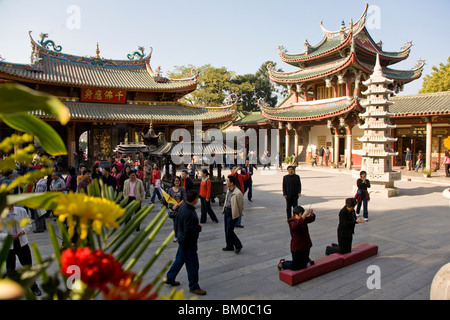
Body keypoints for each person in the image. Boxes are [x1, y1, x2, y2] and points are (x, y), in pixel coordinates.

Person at [165, 190, 206, 295]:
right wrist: (198, 227)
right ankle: (194, 286)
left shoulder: (183, 207)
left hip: (181, 238)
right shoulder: (188, 212)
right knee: (192, 264)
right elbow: (189, 230)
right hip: (188, 242)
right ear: (195, 199)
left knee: (179, 259)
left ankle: (170, 277)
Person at [0, 204, 42, 296]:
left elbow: (28, 223)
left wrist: (22, 231)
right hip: (8, 245)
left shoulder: (21, 210)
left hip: (22, 243)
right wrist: (7, 237)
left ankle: (34, 287)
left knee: (28, 266)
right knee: (10, 269)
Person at [278, 206, 315, 271]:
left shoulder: (302, 219)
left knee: (303, 265)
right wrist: (303, 217)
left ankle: (301, 261)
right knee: (296, 266)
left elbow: (311, 219)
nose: (302, 215)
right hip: (297, 247)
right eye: (301, 214)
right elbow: (295, 226)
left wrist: (311, 214)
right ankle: (283, 264)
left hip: (305, 245)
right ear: (296, 214)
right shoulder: (292, 221)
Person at [222, 175, 244, 254]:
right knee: (226, 229)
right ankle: (229, 245)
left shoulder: (238, 193)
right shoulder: (228, 190)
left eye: (227, 181)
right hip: (227, 211)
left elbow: (241, 205)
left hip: (233, 212)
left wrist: (239, 214)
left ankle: (238, 245)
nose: (226, 182)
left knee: (229, 230)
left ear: (232, 183)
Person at [168, 176, 187, 242]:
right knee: (175, 223)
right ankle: (176, 236)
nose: (177, 182)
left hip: (181, 208)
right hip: (174, 208)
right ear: (173, 182)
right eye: (175, 181)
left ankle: (182, 234)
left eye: (178, 181)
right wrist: (174, 205)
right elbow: (169, 199)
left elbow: (184, 198)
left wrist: (178, 205)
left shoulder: (182, 189)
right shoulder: (170, 190)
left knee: (181, 222)